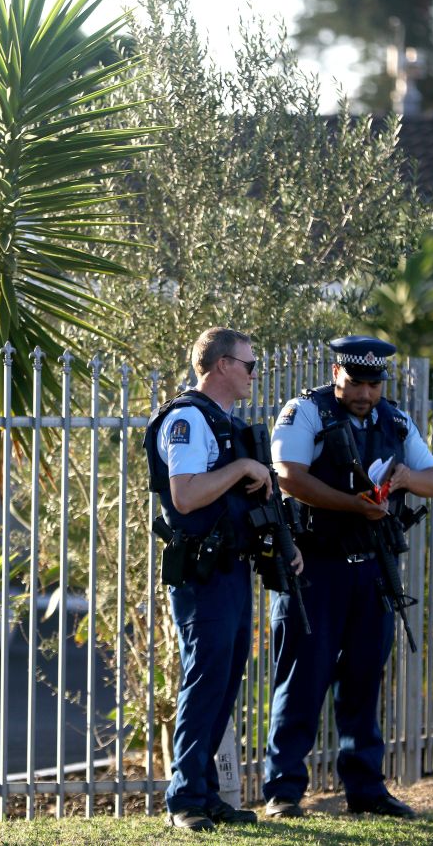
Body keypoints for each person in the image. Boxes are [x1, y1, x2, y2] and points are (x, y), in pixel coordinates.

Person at [261, 335, 433, 819]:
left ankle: (366, 789)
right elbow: (288, 475)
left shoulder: (395, 419)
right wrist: (355, 506)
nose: (365, 393)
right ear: (336, 372)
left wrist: (404, 479)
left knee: (364, 682)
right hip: (316, 569)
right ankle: (284, 791)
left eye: (373, 383)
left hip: (373, 573)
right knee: (301, 680)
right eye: (355, 382)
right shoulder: (306, 411)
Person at [144, 327, 302, 832]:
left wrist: (285, 545)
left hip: (231, 569)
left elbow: (245, 500)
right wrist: (241, 469)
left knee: (224, 682)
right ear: (220, 366)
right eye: (248, 365)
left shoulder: (224, 422)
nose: (255, 374)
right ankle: (184, 799)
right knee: (205, 681)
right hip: (202, 574)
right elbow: (187, 496)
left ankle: (205, 794)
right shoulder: (187, 419)